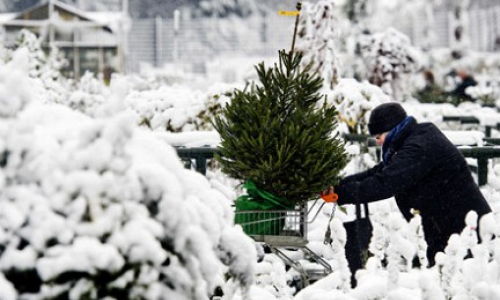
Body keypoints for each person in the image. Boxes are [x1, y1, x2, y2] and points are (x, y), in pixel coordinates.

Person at [328, 102, 492, 267]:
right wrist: (339, 186)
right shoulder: (411, 139)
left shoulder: (418, 147)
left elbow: (386, 183)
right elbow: (380, 172)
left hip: (463, 231)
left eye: (378, 137)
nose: (378, 143)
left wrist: (341, 194)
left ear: (392, 129)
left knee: (456, 280)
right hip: (446, 226)